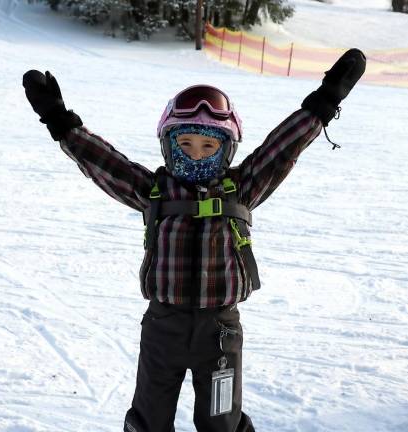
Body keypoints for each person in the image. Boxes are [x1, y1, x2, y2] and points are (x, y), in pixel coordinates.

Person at [22, 48, 366, 432]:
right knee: (149, 419)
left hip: (219, 332)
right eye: (185, 144)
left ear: (226, 147)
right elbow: (105, 163)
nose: (196, 156)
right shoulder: (154, 190)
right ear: (168, 145)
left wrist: (325, 101)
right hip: (162, 328)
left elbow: (280, 150)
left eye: (208, 146)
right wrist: (59, 121)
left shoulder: (241, 188)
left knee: (221, 421)